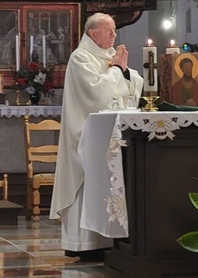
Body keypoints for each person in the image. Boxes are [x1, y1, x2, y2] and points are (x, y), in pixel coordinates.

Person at [50, 13, 143, 261]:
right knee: (87, 184)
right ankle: (82, 243)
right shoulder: (81, 57)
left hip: (109, 134)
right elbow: (97, 95)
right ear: (93, 34)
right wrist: (117, 71)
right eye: (109, 30)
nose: (114, 35)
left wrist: (123, 71)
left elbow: (133, 84)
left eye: (114, 30)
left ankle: (109, 239)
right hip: (85, 138)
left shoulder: (107, 57)